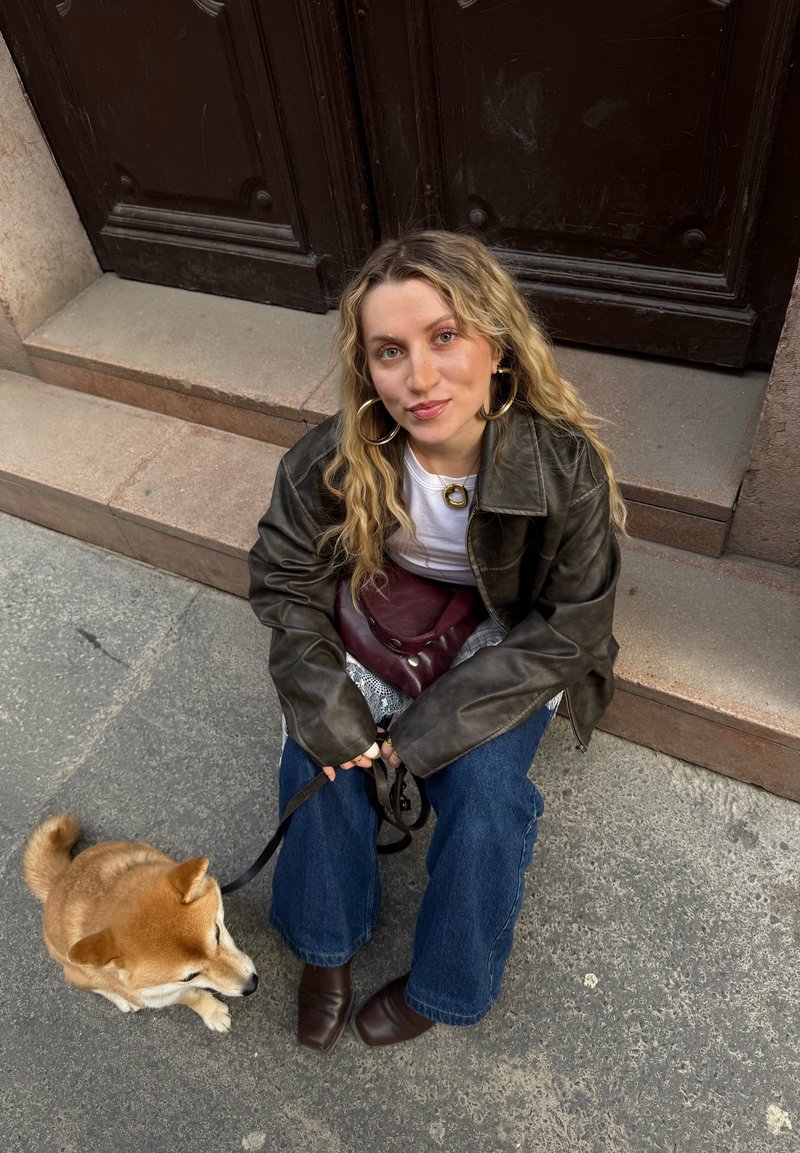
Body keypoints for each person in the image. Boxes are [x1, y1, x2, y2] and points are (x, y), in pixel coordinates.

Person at [249, 230, 624, 1052]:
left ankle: (449, 983)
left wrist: (420, 734)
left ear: (497, 341)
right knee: (317, 752)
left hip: (517, 630)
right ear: (367, 369)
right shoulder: (337, 455)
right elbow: (284, 576)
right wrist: (325, 700)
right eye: (390, 351)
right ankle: (325, 942)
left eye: (444, 336)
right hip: (390, 605)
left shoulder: (563, 467)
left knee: (487, 796)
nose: (418, 377)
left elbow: (573, 626)